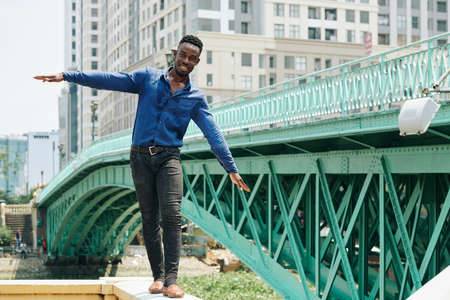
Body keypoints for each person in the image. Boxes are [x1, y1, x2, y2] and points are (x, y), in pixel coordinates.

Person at [34, 35, 250, 298]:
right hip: (139, 158)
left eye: (192, 58)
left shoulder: (195, 97)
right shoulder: (147, 79)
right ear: (175, 53)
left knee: (171, 215)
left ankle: (171, 280)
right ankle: (157, 277)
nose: (186, 61)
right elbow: (108, 79)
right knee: (149, 219)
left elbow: (212, 133)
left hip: (169, 157)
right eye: (183, 54)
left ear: (197, 62)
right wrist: (67, 76)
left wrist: (230, 167)